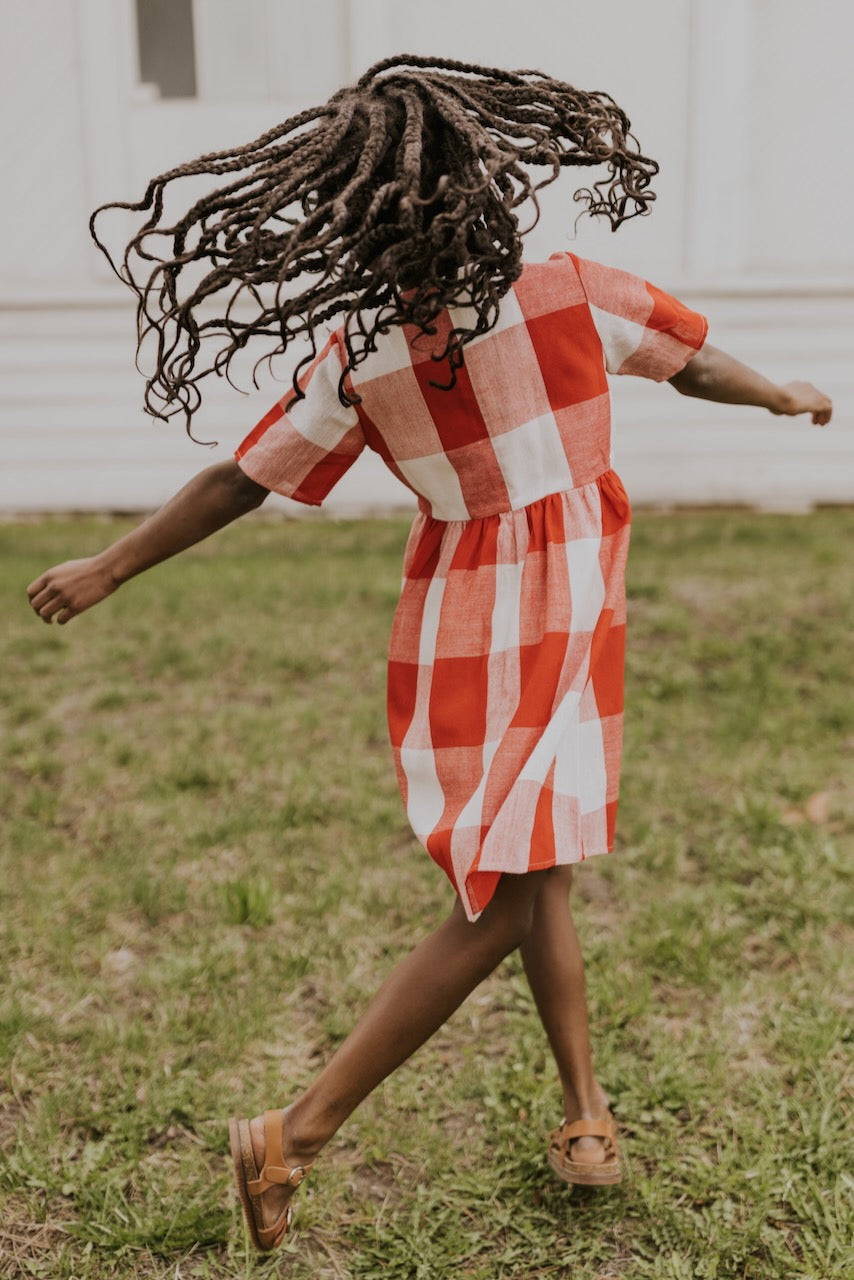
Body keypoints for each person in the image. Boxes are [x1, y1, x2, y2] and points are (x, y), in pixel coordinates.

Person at [26, 56, 832, 1253]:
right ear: (485, 180)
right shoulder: (566, 291)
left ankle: (582, 1109)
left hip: (462, 629)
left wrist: (115, 563)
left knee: (535, 867)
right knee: (504, 890)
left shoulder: (365, 346)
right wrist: (776, 396)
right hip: (534, 624)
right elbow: (691, 360)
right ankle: (294, 1131)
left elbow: (236, 481)